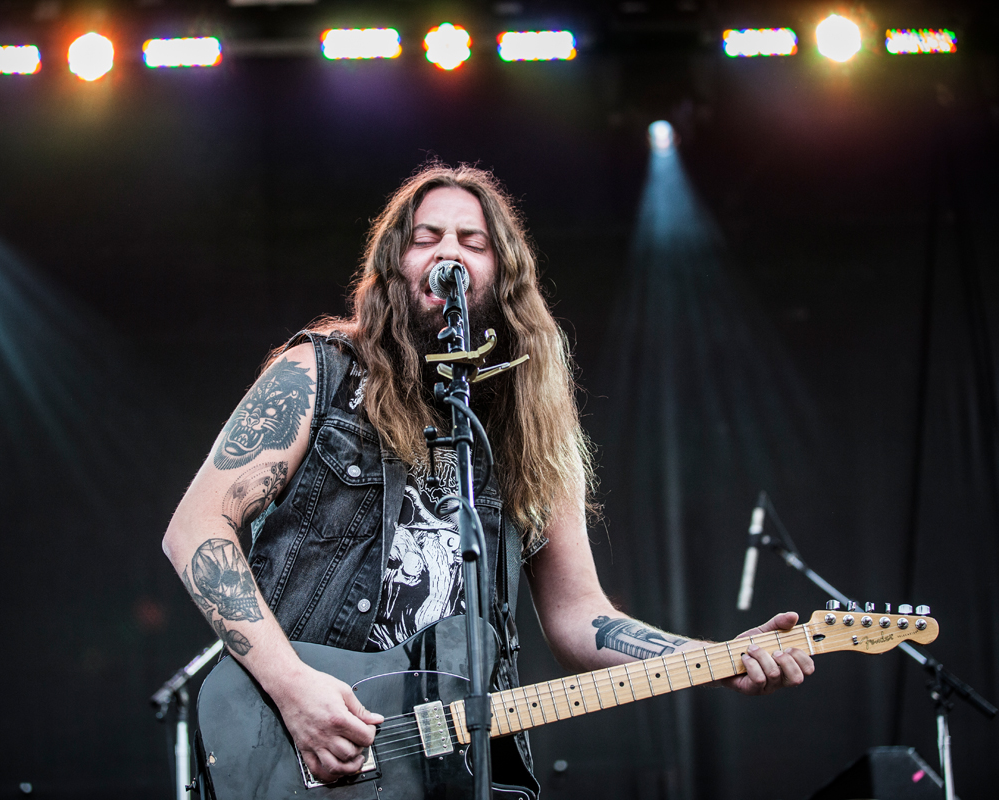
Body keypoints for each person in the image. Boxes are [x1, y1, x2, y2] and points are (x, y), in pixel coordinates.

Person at [162, 163, 813, 793]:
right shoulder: (322, 373)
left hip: (462, 766)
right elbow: (195, 528)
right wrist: (294, 688)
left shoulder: (528, 425)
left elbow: (579, 617)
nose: (450, 252)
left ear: (501, 275)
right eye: (427, 238)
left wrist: (710, 660)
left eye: (473, 242)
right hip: (304, 741)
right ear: (396, 267)